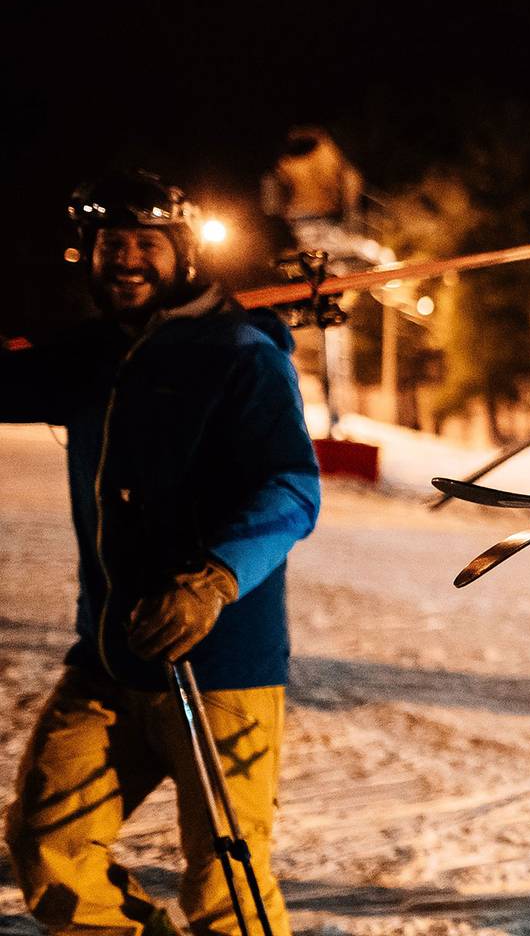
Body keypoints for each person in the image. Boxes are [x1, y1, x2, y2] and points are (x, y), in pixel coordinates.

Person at [3, 171, 321, 935]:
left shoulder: (240, 352)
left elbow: (293, 487)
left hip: (222, 664)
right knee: (49, 845)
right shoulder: (90, 357)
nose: (128, 259)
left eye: (148, 243)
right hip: (112, 656)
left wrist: (214, 580)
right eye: (113, 244)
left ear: (184, 255)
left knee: (227, 889)